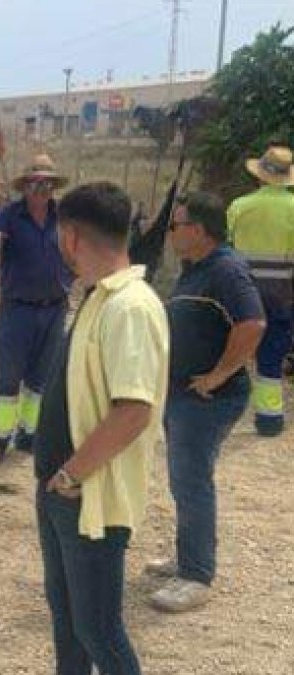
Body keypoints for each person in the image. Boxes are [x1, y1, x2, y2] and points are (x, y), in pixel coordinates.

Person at [34, 182, 168, 675]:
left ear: (70, 237)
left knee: (98, 632)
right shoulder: (98, 297)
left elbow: (133, 410)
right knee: (69, 624)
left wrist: (71, 475)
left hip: (89, 494)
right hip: (62, 488)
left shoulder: (130, 306)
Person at [147, 192, 265, 612]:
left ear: (198, 230)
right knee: (184, 480)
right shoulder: (196, 268)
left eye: (175, 225)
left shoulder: (226, 270)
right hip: (182, 394)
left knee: (192, 481)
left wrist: (218, 375)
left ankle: (196, 575)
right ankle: (187, 557)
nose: (170, 232)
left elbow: (252, 324)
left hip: (207, 399)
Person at [0, 154, 73, 468]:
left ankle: (29, 433)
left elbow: (77, 249)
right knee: (9, 377)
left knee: (41, 377)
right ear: (25, 186)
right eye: (35, 183)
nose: (42, 189)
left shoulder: (63, 217)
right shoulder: (9, 215)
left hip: (55, 308)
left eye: (47, 183)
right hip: (18, 310)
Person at [226, 145, 294, 436]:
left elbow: (227, 248)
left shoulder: (239, 206)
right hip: (282, 294)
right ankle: (269, 418)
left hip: (243, 291)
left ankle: (223, 411)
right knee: (272, 354)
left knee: (233, 349)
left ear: (260, 175)